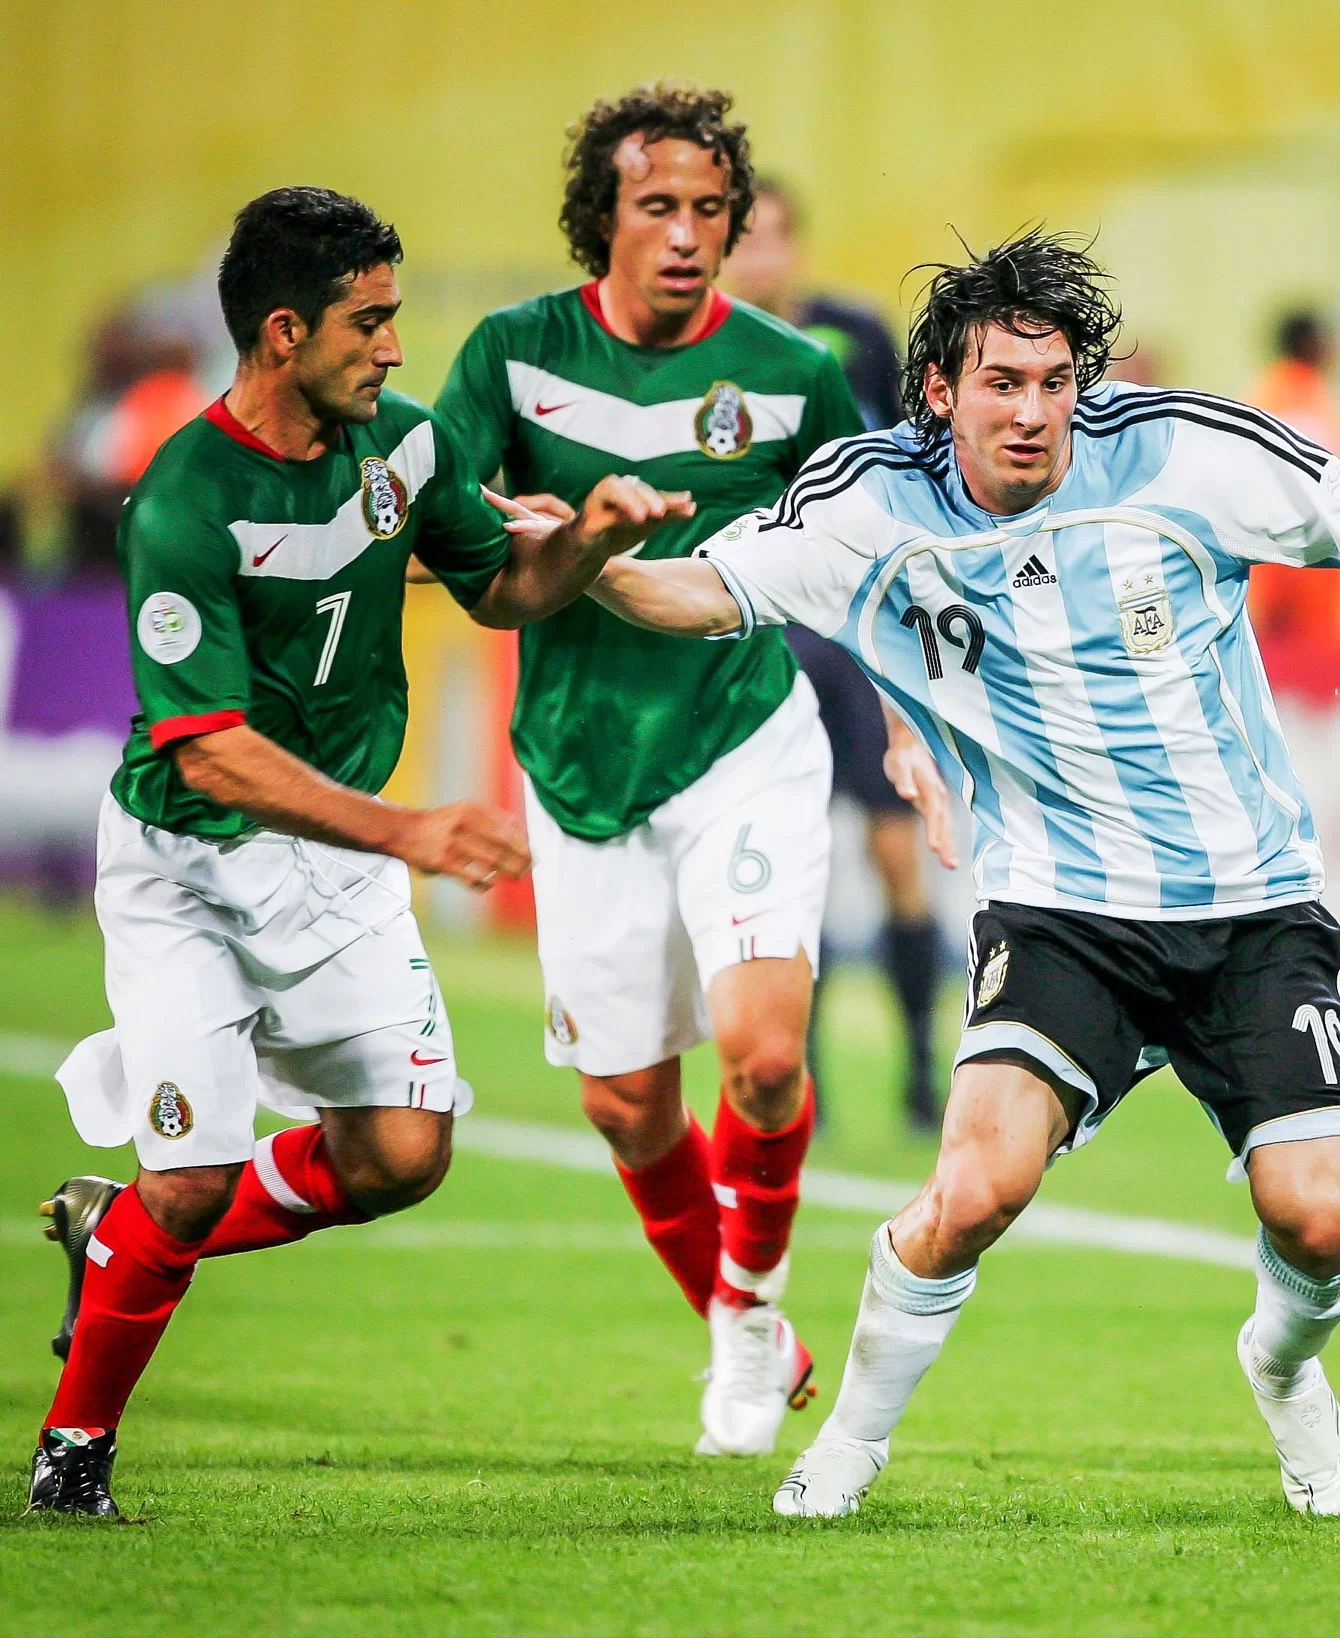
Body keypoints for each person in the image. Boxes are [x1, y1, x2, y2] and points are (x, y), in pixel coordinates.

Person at [567, 228, 1340, 1518]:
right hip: (1060, 905)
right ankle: (844, 1449)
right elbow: (704, 593)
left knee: (1313, 1220)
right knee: (974, 1188)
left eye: (1052, 382)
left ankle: (1279, 1363)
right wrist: (581, 560)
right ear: (939, 392)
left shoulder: (1186, 452)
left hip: (1253, 905)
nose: (1031, 413)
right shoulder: (871, 504)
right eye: (999, 385)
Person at [30, 186, 686, 1517]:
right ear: (284, 332)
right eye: (370, 322)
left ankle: (120, 1233)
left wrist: (594, 546)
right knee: (196, 1174)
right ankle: (71, 1451)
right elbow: (207, 746)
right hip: (192, 862)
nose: (394, 348)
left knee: (400, 1151)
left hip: (331, 859)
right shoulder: (185, 498)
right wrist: (414, 829)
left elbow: (500, 583)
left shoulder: (405, 444)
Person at [433, 85, 877, 1457]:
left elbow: (880, 546)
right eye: (658, 208)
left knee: (762, 1055)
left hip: (744, 737)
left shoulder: (795, 374)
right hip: (579, 767)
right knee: (628, 1101)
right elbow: (483, 586)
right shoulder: (511, 356)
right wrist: (574, 545)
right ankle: (742, 1330)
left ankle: (751, 1302)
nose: (688, 235)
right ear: (603, 217)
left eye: (709, 211)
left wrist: (920, 723)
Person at [721, 178, 948, 1131]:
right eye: (748, 240)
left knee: (896, 852)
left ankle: (919, 1070)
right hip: (768, 631)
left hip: (860, 633)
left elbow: (914, 459)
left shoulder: (853, 334)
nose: (763, 256)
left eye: (777, 236)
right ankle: (800, 1072)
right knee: (791, 854)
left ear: (797, 245)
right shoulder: (708, 357)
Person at [1246, 309, 1340, 647]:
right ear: (1310, 343)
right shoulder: (1297, 403)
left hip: (1293, 583)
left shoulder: (1277, 394)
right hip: (1300, 589)